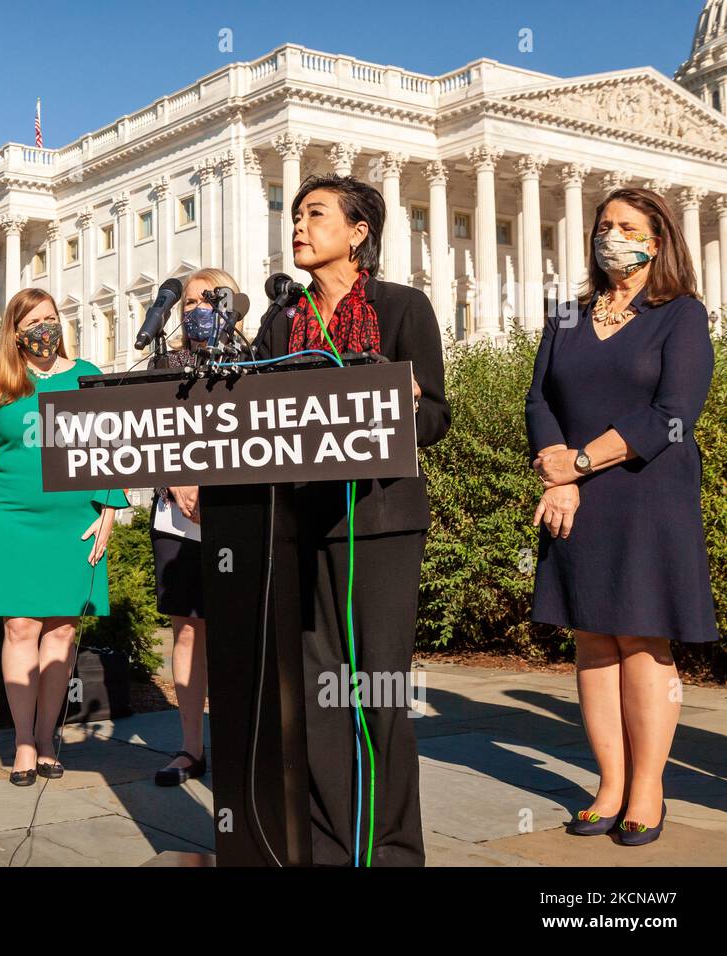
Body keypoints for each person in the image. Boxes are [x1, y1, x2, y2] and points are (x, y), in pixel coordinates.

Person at [254, 174, 450, 866]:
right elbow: (254, 423)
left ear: (359, 232)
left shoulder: (402, 308)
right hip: (301, 529)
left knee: (380, 693)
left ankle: (394, 852)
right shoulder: (280, 321)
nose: (298, 226)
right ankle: (333, 848)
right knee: (319, 698)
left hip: (382, 523)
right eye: (297, 216)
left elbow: (434, 418)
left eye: (315, 215)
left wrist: (396, 400)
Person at [526, 187, 716, 846]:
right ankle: (609, 782)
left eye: (628, 226)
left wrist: (575, 465)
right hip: (576, 493)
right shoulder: (570, 315)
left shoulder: (681, 315)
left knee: (641, 637)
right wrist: (556, 465)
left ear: (658, 239)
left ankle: (647, 787)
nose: (613, 234)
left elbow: (673, 415)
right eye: (605, 224)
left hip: (645, 492)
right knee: (591, 638)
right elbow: (539, 399)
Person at [0, 287, 128, 785]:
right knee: (20, 628)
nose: (44, 328)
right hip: (12, 520)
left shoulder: (86, 377)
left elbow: (111, 450)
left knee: (63, 630)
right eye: (32, 322)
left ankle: (49, 737)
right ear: (15, 330)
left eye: (50, 318)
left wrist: (110, 512)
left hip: (76, 523)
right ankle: (23, 741)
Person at [148, 267, 242, 787]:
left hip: (239, 519)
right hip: (177, 521)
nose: (196, 309)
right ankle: (190, 747)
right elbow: (143, 432)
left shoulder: (253, 358)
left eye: (208, 299)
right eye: (187, 302)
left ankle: (241, 740)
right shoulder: (165, 362)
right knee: (188, 630)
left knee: (239, 632)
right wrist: (174, 479)